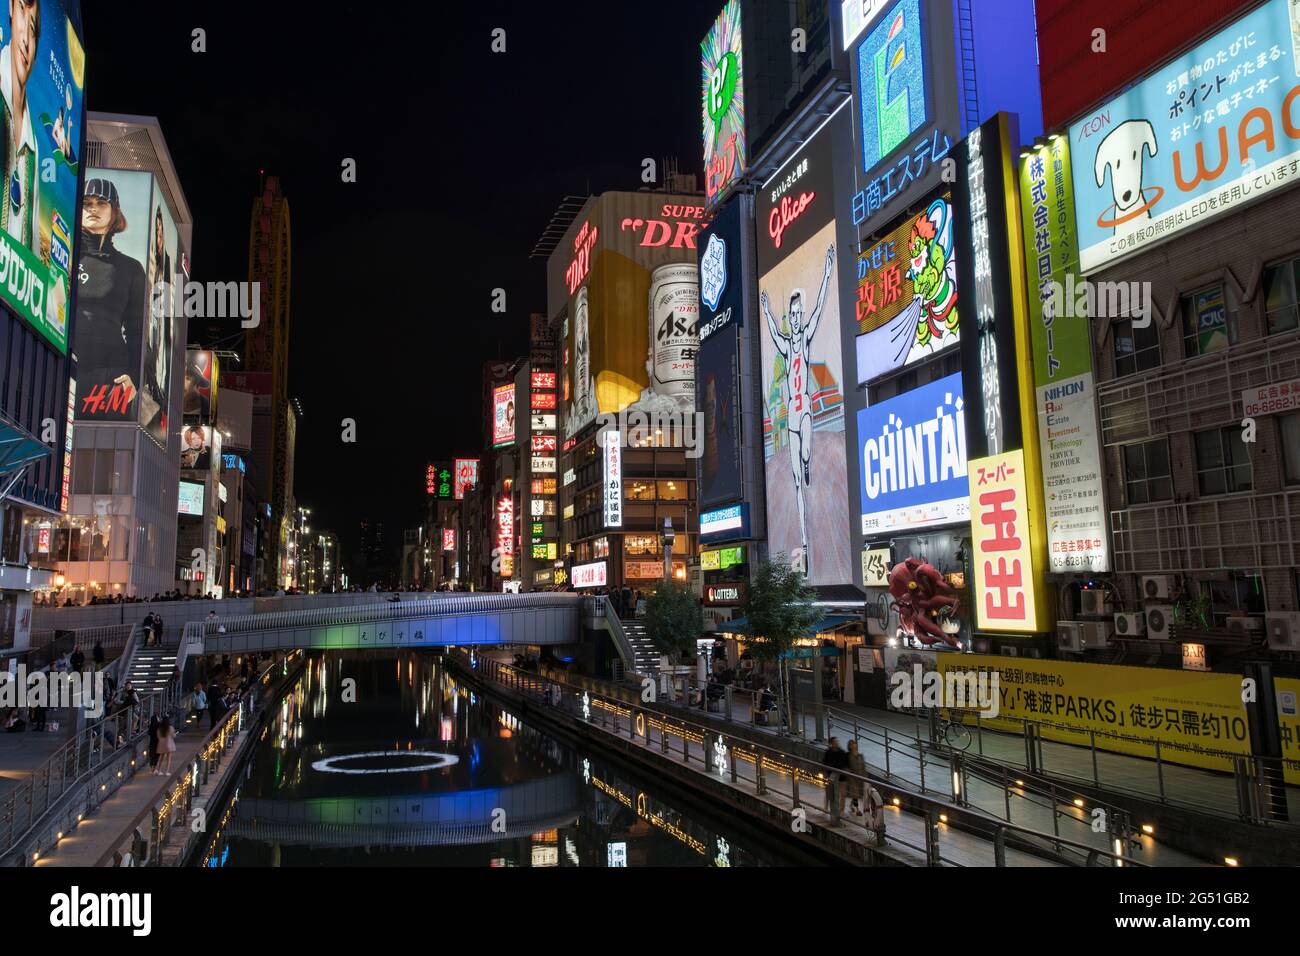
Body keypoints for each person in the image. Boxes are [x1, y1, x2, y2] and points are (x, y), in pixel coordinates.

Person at [759, 243, 835, 578]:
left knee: (804, 455)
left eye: (796, 314)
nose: (794, 318)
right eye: (791, 316)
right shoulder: (786, 347)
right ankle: (804, 543)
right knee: (793, 482)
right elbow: (774, 332)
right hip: (791, 415)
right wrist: (766, 311)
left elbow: (819, 306)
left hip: (804, 412)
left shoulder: (804, 340)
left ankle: (806, 463)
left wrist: (829, 269)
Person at [822, 737, 850, 817]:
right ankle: (826, 807)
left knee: (842, 794)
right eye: (835, 742)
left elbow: (846, 764)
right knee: (829, 792)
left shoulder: (842, 752)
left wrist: (846, 770)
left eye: (837, 742)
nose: (837, 743)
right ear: (832, 743)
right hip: (831, 775)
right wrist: (825, 772)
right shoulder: (828, 752)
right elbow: (825, 763)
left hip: (841, 776)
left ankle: (842, 810)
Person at [846, 739, 867, 816]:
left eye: (854, 744)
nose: (853, 745)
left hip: (860, 777)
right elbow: (846, 766)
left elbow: (863, 767)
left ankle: (851, 805)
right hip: (852, 778)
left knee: (857, 794)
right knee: (855, 794)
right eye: (851, 744)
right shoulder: (848, 755)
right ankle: (858, 810)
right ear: (849, 746)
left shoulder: (860, 756)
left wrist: (865, 777)